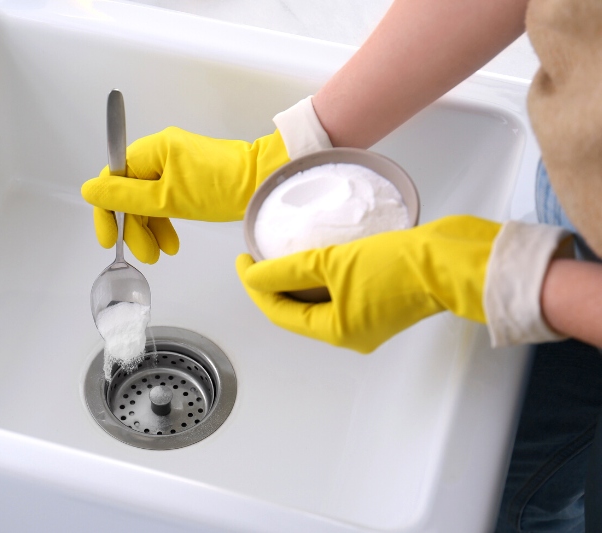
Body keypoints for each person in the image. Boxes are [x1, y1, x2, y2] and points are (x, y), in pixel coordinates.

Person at [82, 0, 602, 529]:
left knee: (526, 506)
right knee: (517, 476)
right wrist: (286, 151)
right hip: (578, 206)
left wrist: (513, 278)